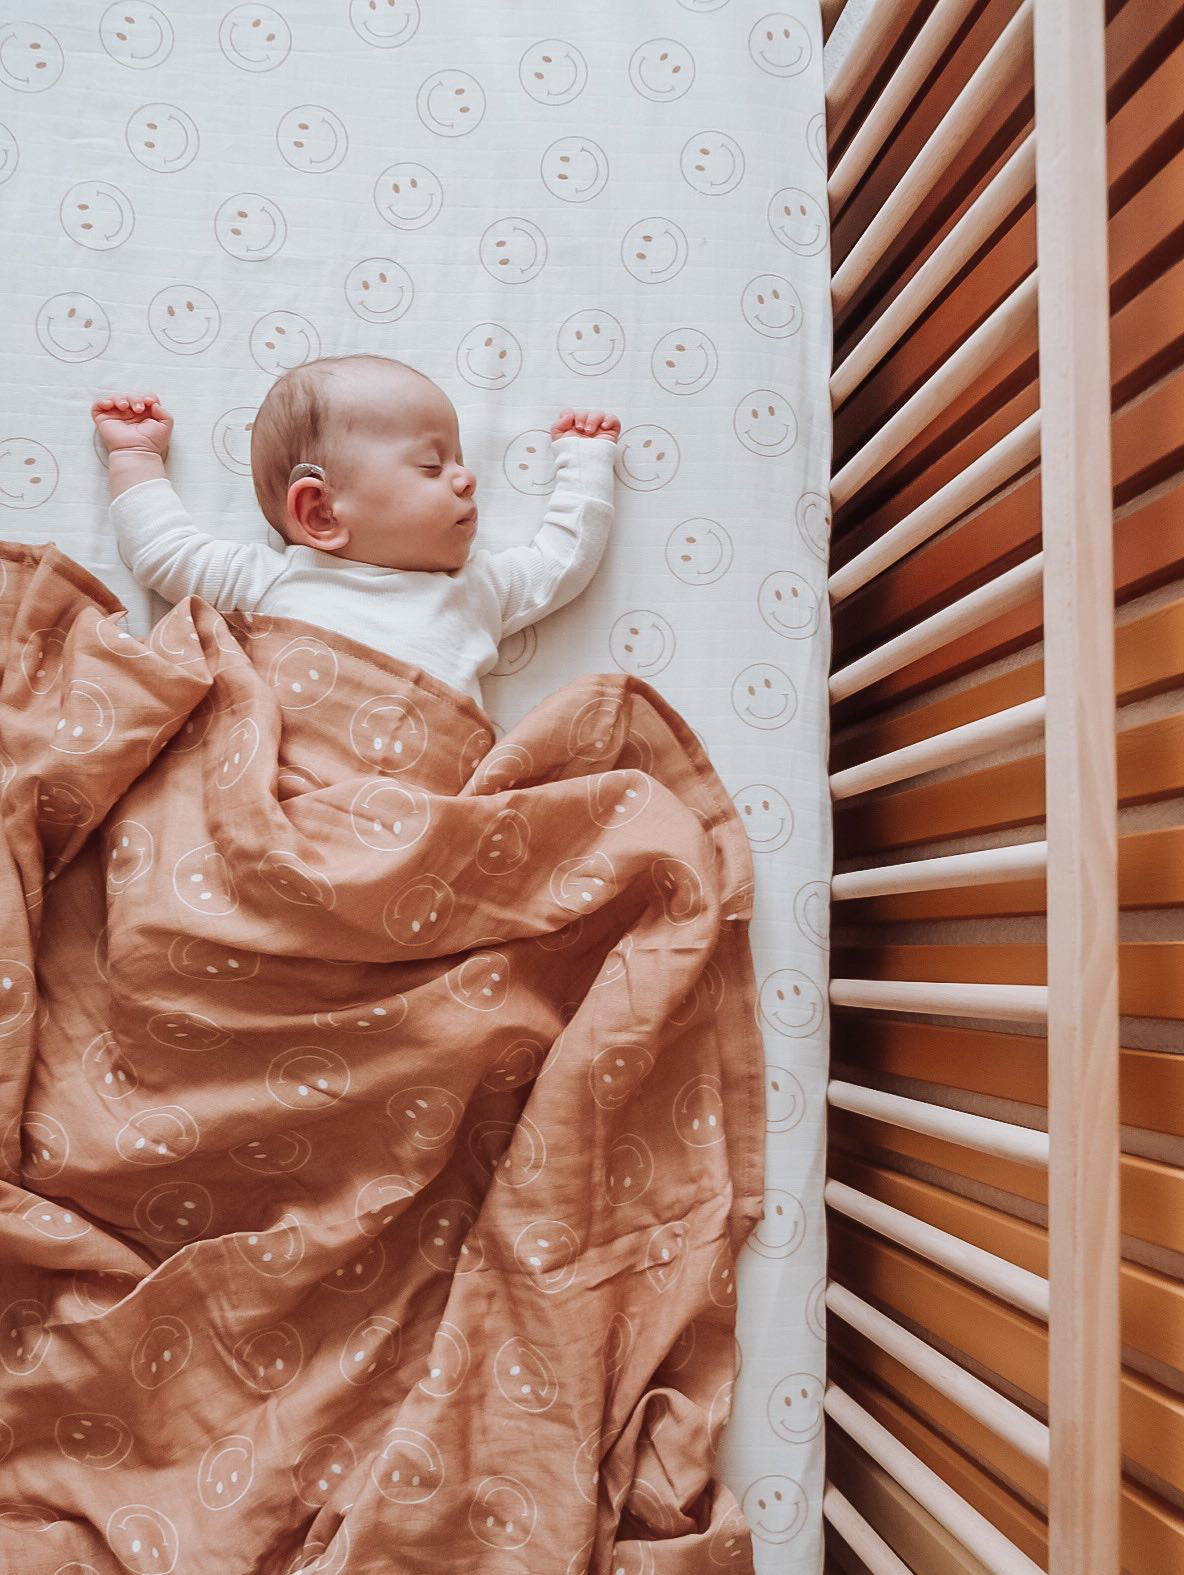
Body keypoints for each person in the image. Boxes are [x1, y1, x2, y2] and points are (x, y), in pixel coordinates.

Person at [90, 353, 620, 707]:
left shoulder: (477, 587)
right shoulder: (272, 581)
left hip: (423, 820)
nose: (467, 478)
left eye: (458, 460)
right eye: (432, 466)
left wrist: (586, 463)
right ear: (322, 513)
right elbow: (163, 550)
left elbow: (562, 561)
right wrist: (135, 455)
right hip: (285, 804)